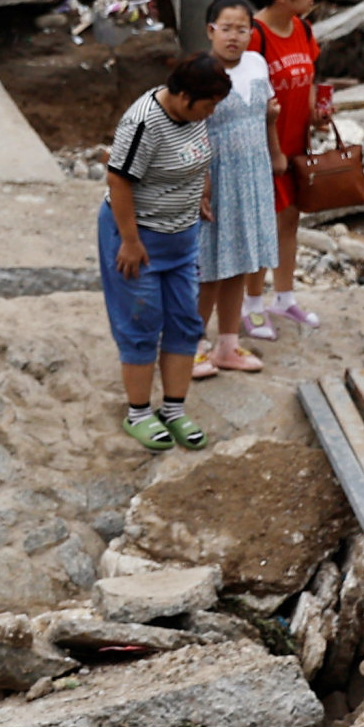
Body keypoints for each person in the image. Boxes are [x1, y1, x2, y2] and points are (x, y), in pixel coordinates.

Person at [101, 52, 229, 450]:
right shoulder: (144, 122)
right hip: (139, 240)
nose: (210, 113)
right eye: (207, 105)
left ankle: (174, 408)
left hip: (182, 237)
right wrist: (131, 240)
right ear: (185, 96)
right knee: (140, 322)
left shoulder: (196, 118)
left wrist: (201, 193)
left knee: (184, 321)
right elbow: (119, 181)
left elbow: (199, 155)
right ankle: (138, 412)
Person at [246, 0, 333, 336]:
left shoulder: (304, 30)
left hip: (296, 144)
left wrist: (317, 111)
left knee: (289, 221)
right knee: (260, 226)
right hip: (262, 149)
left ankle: (284, 297)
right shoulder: (254, 36)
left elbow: (310, 76)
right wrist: (271, 148)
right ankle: (251, 305)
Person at [194, 0, 278, 376]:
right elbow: (187, 128)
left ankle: (228, 344)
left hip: (254, 174)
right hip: (215, 177)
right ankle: (192, 343)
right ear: (210, 30)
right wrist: (199, 183)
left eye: (242, 29)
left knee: (240, 263)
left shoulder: (258, 64)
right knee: (207, 267)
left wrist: (276, 153)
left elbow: (267, 113)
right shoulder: (200, 72)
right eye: (226, 28)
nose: (234, 37)